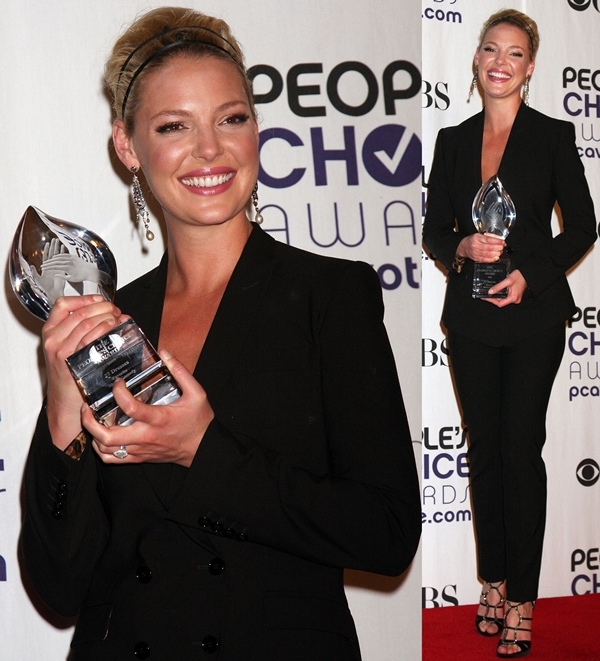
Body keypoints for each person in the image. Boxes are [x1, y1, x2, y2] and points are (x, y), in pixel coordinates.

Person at [19, 7, 421, 660]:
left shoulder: (331, 295)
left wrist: (203, 450)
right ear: (128, 145)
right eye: (174, 126)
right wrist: (63, 412)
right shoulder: (110, 322)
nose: (211, 149)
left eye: (231, 118)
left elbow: (387, 531)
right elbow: (60, 586)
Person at [423, 8, 596, 659]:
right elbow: (437, 230)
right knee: (486, 452)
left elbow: (582, 225)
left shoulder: (552, 135)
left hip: (532, 317)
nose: (500, 60)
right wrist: (460, 243)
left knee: (520, 452)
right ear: (475, 60)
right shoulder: (452, 139)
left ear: (530, 66)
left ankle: (523, 596)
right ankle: (491, 581)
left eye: (515, 53)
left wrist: (531, 272)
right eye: (490, 49)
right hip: (469, 320)